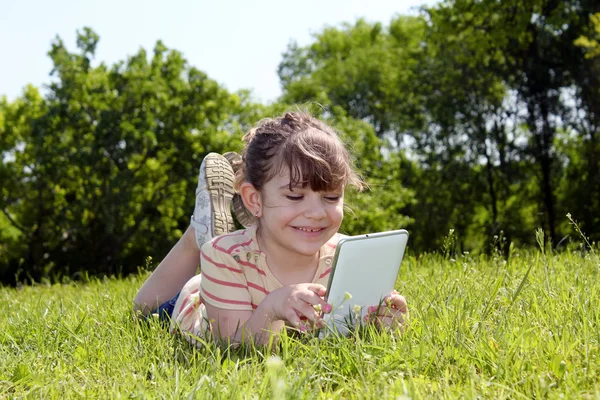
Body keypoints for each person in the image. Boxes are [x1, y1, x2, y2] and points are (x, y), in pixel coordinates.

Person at [133, 111, 408, 345]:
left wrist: (381, 321)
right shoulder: (227, 258)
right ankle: (198, 237)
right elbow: (233, 346)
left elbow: (349, 329)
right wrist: (272, 308)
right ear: (255, 198)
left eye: (331, 197)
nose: (316, 213)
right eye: (295, 196)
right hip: (206, 304)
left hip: (232, 273)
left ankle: (208, 234)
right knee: (145, 312)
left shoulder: (347, 256)